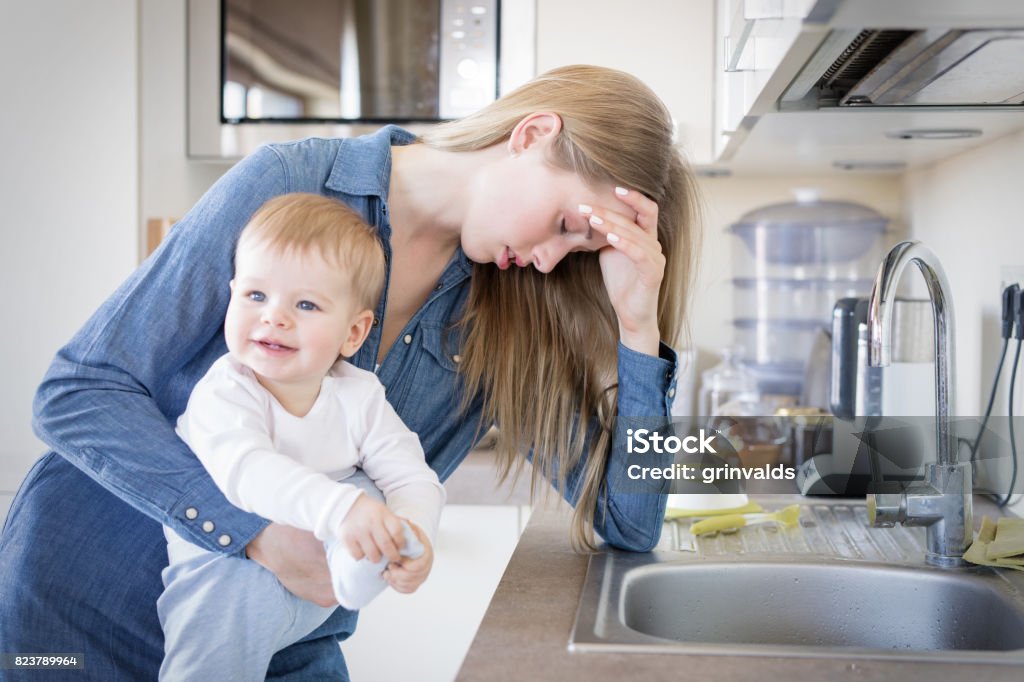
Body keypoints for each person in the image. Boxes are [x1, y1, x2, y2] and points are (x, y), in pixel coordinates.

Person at [0, 64, 701, 680]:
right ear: (532, 134)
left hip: (284, 647)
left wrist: (639, 331)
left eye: (577, 250)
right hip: (82, 607)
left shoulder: (512, 311)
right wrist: (256, 536)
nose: (552, 259)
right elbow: (78, 394)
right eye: (563, 224)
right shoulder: (291, 182)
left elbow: (626, 525)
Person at [158, 193, 445, 680]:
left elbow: (413, 477)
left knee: (370, 490)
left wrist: (414, 533)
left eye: (306, 304)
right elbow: (246, 473)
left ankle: (360, 566)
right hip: (227, 576)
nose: (274, 316)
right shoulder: (226, 390)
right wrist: (341, 512)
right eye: (255, 296)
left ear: (353, 333)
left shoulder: (360, 396)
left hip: (317, 587)